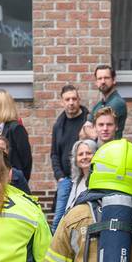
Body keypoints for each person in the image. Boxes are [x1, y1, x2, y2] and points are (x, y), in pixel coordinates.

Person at [49, 85, 88, 230]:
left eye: (74, 99)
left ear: (79, 100)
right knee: (59, 220)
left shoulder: (87, 122)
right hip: (65, 180)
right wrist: (59, 176)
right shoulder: (58, 125)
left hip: (84, 179)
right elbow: (54, 154)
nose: (71, 102)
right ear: (62, 102)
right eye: (67, 99)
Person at [54, 139, 97, 232]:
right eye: (80, 154)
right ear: (75, 159)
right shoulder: (76, 182)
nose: (84, 157)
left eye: (89, 153)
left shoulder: (98, 180)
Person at [89, 65, 127, 139]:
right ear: (96, 82)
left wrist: (90, 129)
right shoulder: (99, 104)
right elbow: (82, 133)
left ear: (114, 80)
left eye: (106, 78)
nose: (103, 81)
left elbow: (98, 135)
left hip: (113, 148)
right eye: (100, 78)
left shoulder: (117, 103)